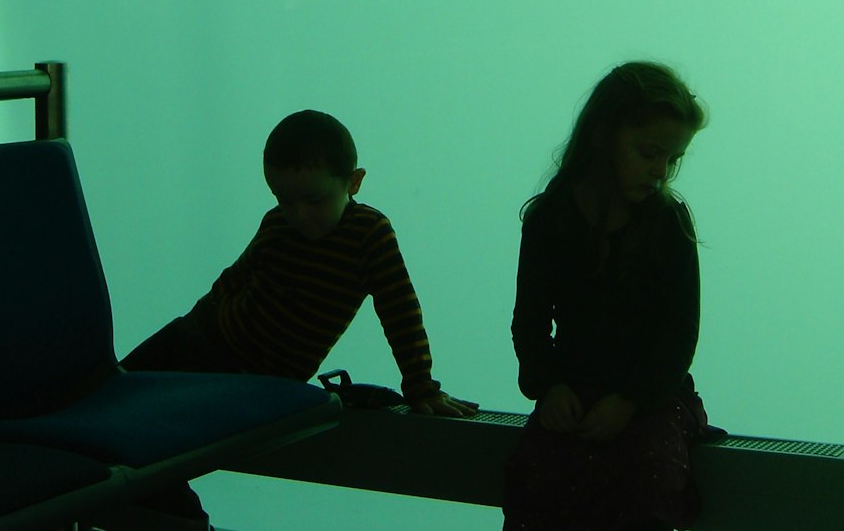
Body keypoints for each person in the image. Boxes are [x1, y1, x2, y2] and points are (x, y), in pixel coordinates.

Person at [120, 109, 477, 528]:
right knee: (109, 397)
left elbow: (400, 309)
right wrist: (198, 319)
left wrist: (421, 385)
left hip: (249, 378)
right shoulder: (276, 225)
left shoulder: (370, 235)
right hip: (197, 338)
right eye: (283, 199)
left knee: (140, 439)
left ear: (354, 182)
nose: (299, 214)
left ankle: (183, 522)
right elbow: (232, 281)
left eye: (314, 199)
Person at [503, 62, 715, 531]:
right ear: (603, 136)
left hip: (655, 400)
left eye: (671, 160)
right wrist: (549, 385)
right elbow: (530, 321)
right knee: (534, 481)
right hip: (572, 393)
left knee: (649, 480)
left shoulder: (668, 226)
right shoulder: (549, 221)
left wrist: (631, 399)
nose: (660, 171)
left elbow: (679, 334)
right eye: (648, 152)